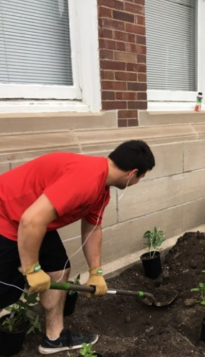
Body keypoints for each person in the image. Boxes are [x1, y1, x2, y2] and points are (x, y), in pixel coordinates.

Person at [0, 140, 155, 355]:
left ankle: (54, 338)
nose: (138, 182)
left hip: (32, 222)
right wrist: (32, 269)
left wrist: (96, 272)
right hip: (6, 217)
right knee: (5, 293)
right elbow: (30, 221)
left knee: (58, 269)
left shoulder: (102, 188)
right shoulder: (86, 178)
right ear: (133, 173)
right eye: (141, 178)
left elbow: (93, 229)